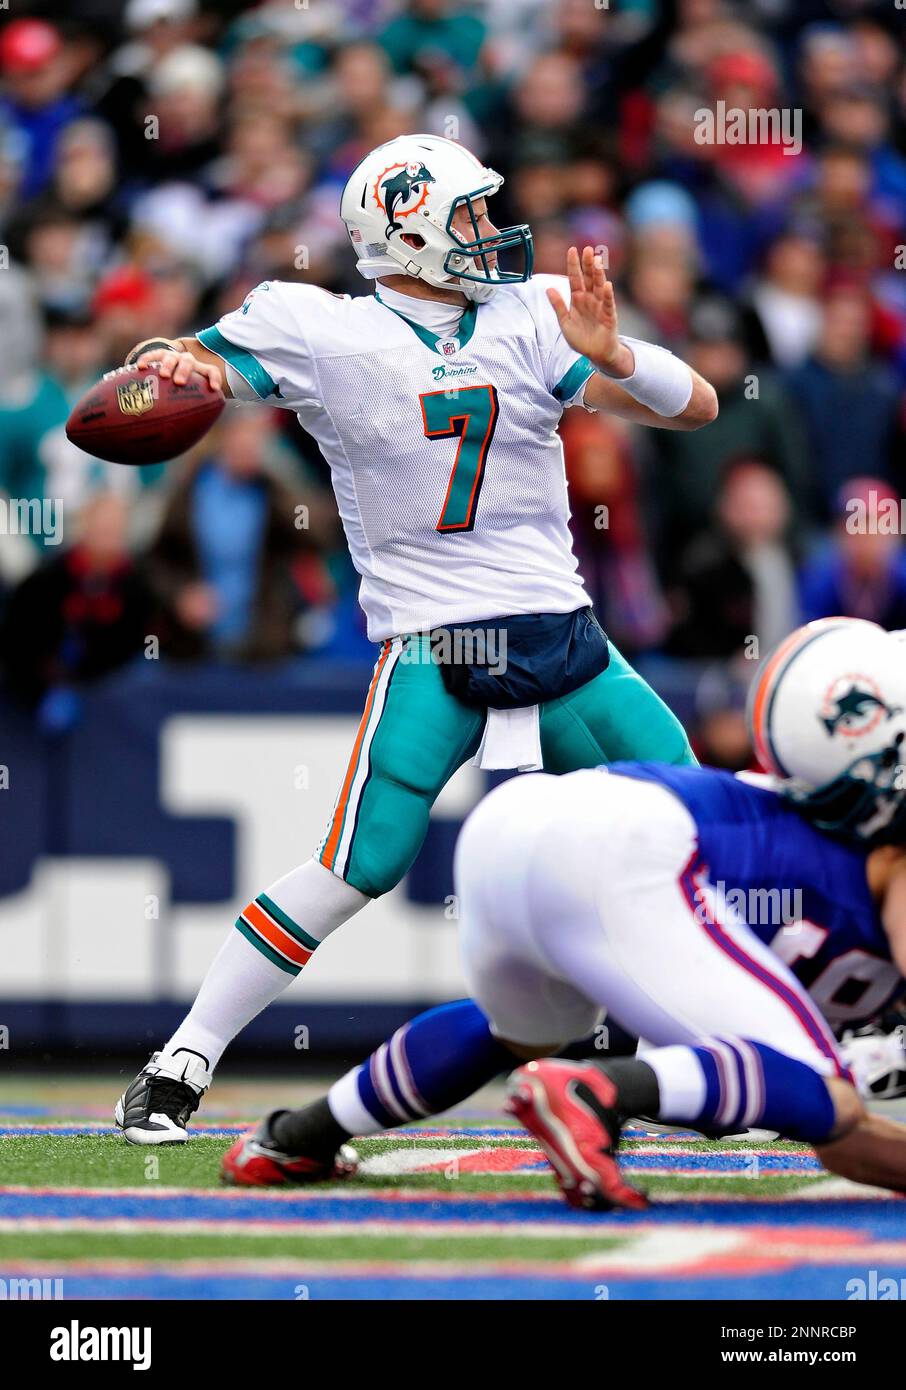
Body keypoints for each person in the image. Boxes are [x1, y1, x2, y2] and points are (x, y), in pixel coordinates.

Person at [115, 132, 717, 1146]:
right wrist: (169, 360)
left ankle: (709, 1048)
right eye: (470, 215)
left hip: (559, 632)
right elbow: (185, 366)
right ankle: (182, 1059)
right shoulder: (320, 328)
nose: (492, 232)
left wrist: (620, 356)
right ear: (407, 229)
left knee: (694, 828)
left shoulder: (529, 315)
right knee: (360, 862)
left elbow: (695, 406)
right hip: (435, 643)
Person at [453, 619, 906, 1209]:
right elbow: (842, 1132)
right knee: (822, 1097)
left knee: (517, 1033)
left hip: (521, 832)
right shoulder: (867, 843)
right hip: (633, 882)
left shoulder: (795, 807)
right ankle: (603, 1089)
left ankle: (306, 1132)